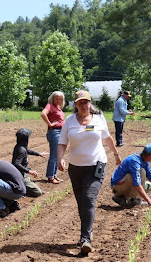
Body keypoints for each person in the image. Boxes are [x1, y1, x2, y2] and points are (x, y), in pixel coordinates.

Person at [57, 90, 122, 255]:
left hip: (96, 165)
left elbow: (107, 139)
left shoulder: (99, 119)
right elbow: (62, 142)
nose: (83, 105)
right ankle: (87, 231)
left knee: (88, 199)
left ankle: (85, 238)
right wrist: (59, 159)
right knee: (81, 203)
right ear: (76, 104)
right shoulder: (69, 121)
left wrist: (116, 154)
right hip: (76, 167)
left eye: (86, 102)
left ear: (90, 103)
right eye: (80, 102)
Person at [110, 143, 151, 208]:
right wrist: (149, 200)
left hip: (123, 184)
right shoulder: (134, 161)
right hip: (117, 186)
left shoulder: (144, 159)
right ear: (150, 155)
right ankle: (132, 199)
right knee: (141, 172)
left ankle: (124, 198)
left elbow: (150, 175)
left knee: (148, 185)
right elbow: (136, 184)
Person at [12, 128, 48, 197]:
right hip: (20, 175)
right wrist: (29, 171)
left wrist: (39, 154)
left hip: (22, 173)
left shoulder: (20, 147)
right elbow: (16, 163)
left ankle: (22, 185)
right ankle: (21, 189)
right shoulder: (21, 150)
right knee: (38, 192)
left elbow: (27, 150)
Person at [40, 91, 65, 184]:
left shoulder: (58, 108)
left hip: (60, 132)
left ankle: (54, 175)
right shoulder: (50, 105)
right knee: (54, 155)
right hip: (54, 132)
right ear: (52, 98)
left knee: (57, 154)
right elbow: (43, 114)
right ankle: (50, 176)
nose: (58, 100)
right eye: (56, 98)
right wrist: (50, 124)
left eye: (60, 99)